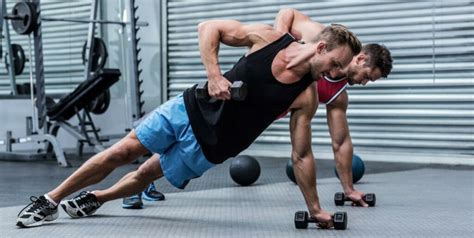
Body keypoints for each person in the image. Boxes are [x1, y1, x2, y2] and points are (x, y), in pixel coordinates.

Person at [16, 19, 361, 228]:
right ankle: (50, 200)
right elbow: (208, 27)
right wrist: (214, 76)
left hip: (214, 145)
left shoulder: (306, 97)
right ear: (320, 48)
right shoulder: (269, 39)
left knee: (147, 174)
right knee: (122, 151)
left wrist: (314, 208)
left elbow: (301, 156)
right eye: (337, 62)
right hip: (189, 108)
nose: (340, 72)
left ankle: (98, 198)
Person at [275, 8, 393, 206]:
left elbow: (341, 142)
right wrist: (276, 43)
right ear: (361, 58)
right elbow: (288, 13)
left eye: (369, 82)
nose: (364, 83)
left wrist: (349, 190)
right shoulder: (322, 38)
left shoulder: (337, 95)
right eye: (367, 77)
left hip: (274, 108)